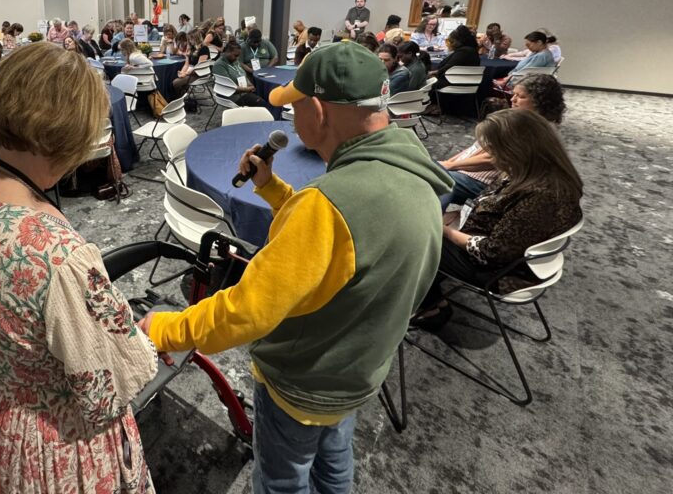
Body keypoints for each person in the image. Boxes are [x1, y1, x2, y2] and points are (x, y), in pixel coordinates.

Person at [142, 42, 451, 493]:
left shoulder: (325, 206)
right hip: (356, 371)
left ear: (320, 112)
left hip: (302, 384)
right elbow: (345, 250)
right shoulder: (418, 178)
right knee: (334, 464)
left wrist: (165, 328)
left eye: (295, 107)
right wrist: (273, 191)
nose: (290, 117)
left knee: (282, 481)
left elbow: (248, 311)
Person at [0, 43, 157, 494]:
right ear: (66, 136)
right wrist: (143, 335)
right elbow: (107, 387)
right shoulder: (59, 257)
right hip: (51, 435)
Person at [414, 109, 582, 329]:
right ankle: (429, 298)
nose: (491, 157)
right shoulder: (539, 174)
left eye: (495, 149)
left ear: (515, 149)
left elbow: (491, 253)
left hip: (498, 272)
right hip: (498, 251)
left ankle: (426, 305)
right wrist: (459, 217)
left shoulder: (541, 195)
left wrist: (445, 231)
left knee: (412, 234)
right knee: (424, 222)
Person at [438, 74, 567, 212]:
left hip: (483, 183)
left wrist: (449, 165)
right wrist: (447, 163)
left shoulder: (533, 130)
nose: (513, 99)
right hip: (469, 173)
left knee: (430, 178)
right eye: (514, 94)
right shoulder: (520, 119)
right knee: (430, 173)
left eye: (521, 97)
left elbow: (493, 159)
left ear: (540, 101)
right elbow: (477, 148)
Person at [212, 41, 265, 106]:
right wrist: (248, 89)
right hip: (232, 96)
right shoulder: (219, 65)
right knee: (261, 103)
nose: (237, 58)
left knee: (264, 94)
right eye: (235, 55)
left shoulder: (234, 61)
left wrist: (249, 84)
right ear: (227, 52)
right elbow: (229, 87)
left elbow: (242, 74)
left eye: (238, 56)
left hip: (242, 91)